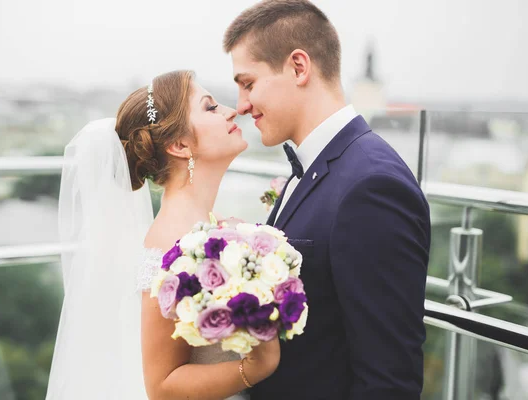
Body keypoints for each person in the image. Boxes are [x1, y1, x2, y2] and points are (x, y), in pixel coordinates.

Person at [223, 1, 431, 399]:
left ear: (299, 67)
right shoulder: (316, 166)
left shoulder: (372, 186)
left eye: (248, 83)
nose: (242, 104)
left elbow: (389, 381)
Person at [45, 70, 280, 399]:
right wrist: (256, 367)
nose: (232, 110)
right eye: (210, 107)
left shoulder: (210, 227)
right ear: (180, 145)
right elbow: (162, 388)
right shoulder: (173, 245)